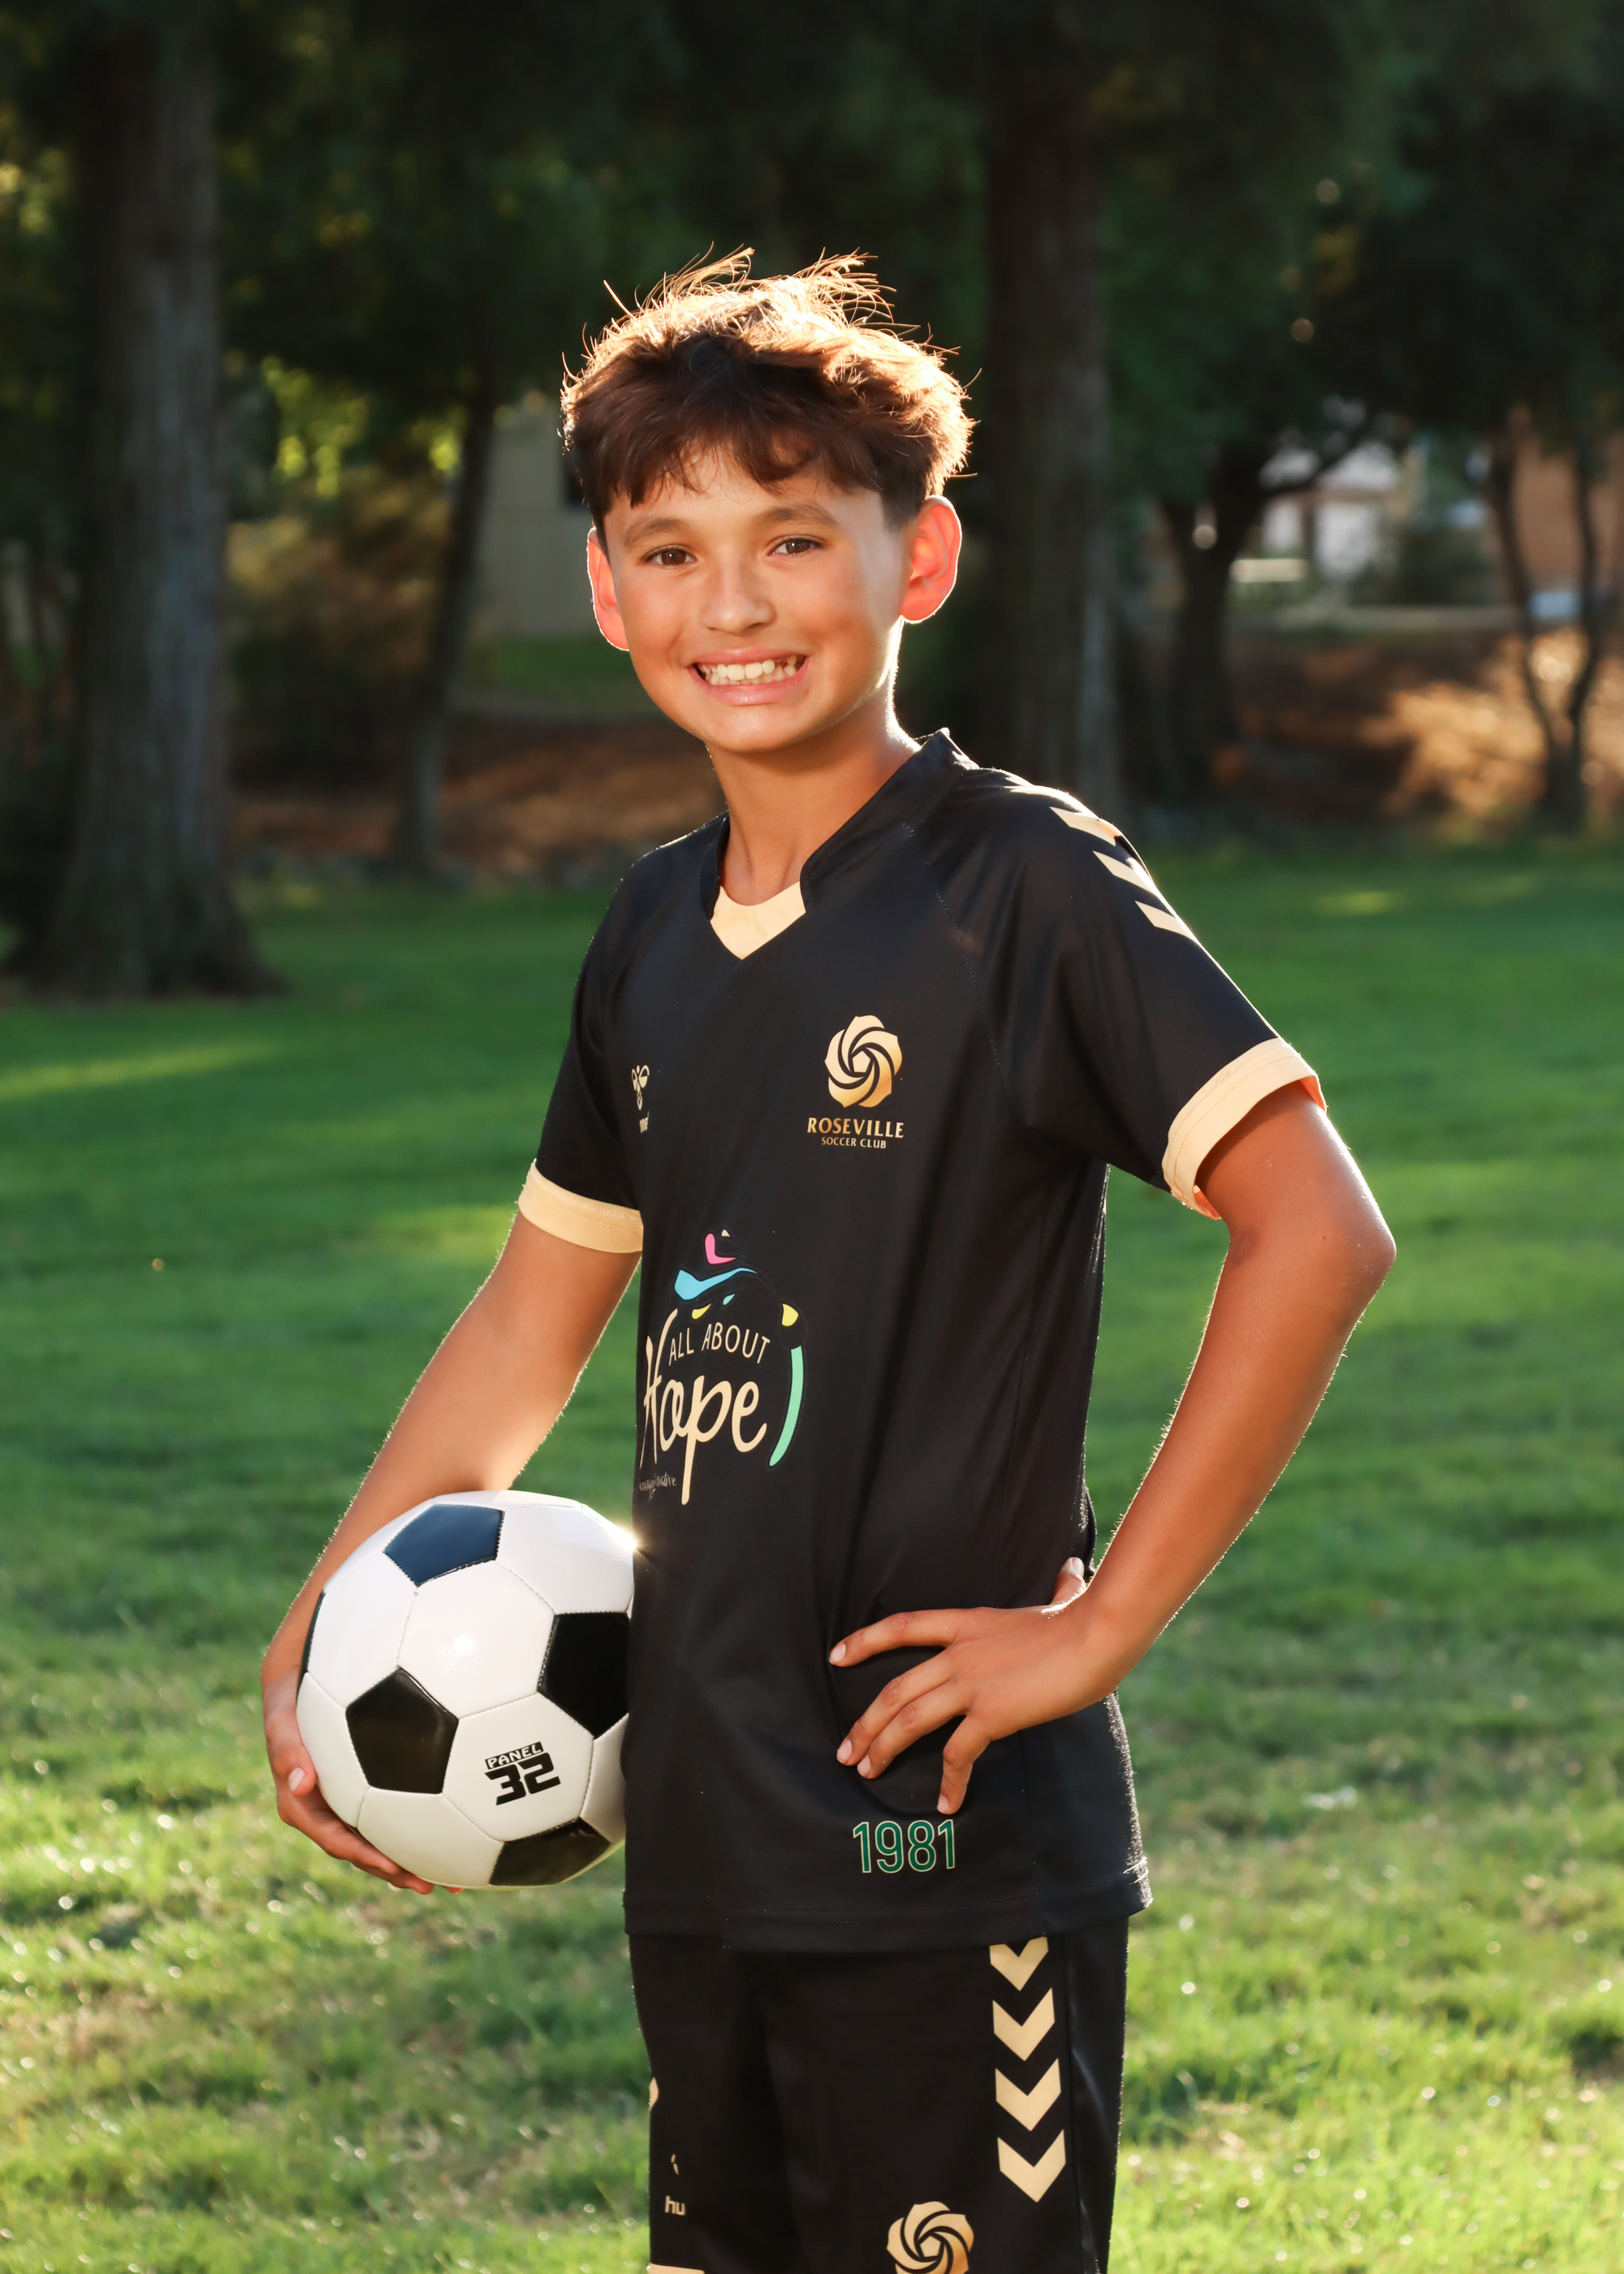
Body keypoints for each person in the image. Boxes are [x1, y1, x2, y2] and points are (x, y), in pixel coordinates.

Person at [261, 253, 1395, 2274]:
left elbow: (1318, 1227)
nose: (735, 601)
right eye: (670, 550)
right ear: (607, 591)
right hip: (703, 1835)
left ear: (917, 556)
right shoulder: (649, 930)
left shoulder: (1018, 883)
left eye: (792, 537)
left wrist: (1097, 1625)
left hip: (947, 1848)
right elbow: (529, 1314)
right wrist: (331, 1615)